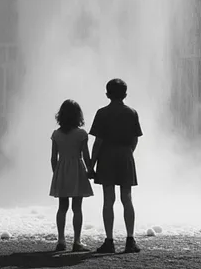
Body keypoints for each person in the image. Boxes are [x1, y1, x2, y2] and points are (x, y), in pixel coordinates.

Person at [89, 78, 142, 254]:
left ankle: (110, 241)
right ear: (125, 94)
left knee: (108, 200)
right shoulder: (132, 112)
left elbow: (98, 142)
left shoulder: (102, 113)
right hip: (125, 156)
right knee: (127, 198)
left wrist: (91, 164)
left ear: (107, 94)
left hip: (106, 158)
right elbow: (135, 139)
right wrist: (128, 153)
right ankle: (130, 240)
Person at [50, 99, 93, 252]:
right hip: (77, 170)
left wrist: (57, 174)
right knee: (77, 207)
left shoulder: (56, 134)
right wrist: (90, 170)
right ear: (77, 116)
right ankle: (77, 241)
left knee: (62, 207)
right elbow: (86, 156)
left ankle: (61, 241)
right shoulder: (81, 134)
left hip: (62, 170)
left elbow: (53, 158)